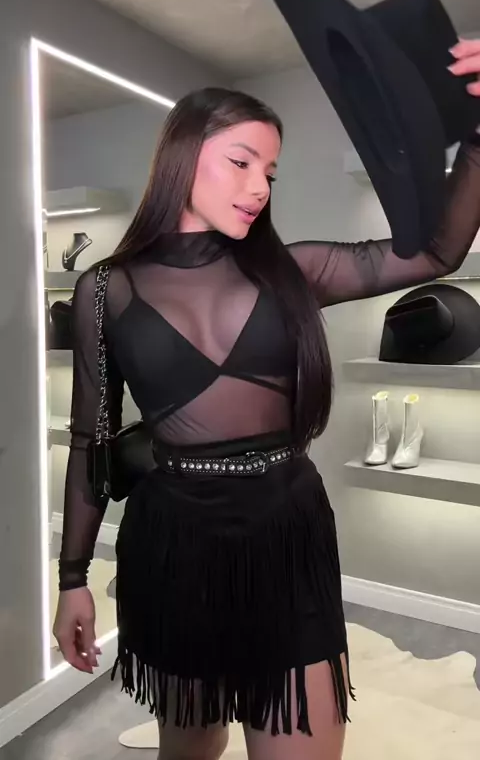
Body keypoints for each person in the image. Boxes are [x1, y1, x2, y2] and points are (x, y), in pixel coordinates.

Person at [54, 39, 480, 760]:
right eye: (241, 162)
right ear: (183, 157)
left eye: (271, 172)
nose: (259, 187)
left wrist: (477, 138)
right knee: (190, 744)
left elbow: (439, 253)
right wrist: (72, 580)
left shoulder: (295, 271)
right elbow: (92, 441)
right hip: (173, 544)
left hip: (285, 534)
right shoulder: (105, 289)